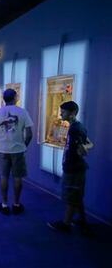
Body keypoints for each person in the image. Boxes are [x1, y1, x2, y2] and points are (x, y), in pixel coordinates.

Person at [47, 101, 93, 235]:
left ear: (72, 113)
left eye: (64, 111)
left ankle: (66, 224)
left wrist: (82, 149)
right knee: (76, 195)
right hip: (75, 167)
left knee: (71, 195)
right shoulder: (76, 127)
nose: (61, 113)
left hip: (74, 168)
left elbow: (84, 149)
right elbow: (89, 143)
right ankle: (82, 220)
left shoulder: (75, 129)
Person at [0, 88, 33, 215]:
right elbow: (29, 134)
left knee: (4, 176)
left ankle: (4, 205)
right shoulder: (22, 112)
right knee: (17, 177)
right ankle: (16, 204)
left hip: (2, 150)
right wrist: (23, 146)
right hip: (18, 150)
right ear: (14, 97)